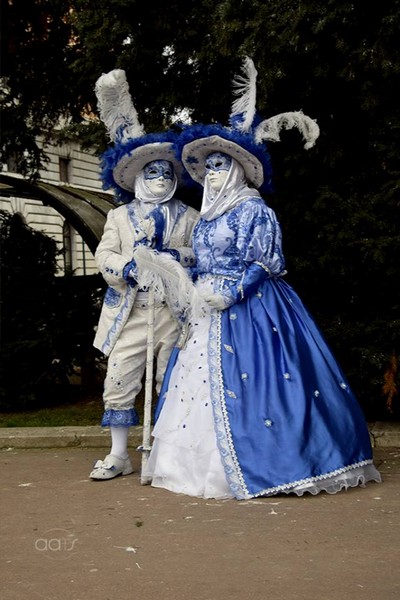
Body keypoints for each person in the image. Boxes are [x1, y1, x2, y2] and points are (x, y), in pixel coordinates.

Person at [143, 58, 381, 499]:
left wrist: (234, 291)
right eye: (208, 166)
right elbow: (202, 260)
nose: (212, 173)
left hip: (255, 308)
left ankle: (275, 461)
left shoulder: (256, 210)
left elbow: (267, 260)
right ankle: (194, 467)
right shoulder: (206, 219)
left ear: (235, 170)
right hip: (206, 310)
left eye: (219, 165)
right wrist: (174, 268)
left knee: (267, 383)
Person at [89, 69, 199, 480]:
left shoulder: (189, 216)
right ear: (136, 177)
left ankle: (166, 453)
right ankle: (119, 454)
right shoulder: (119, 216)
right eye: (151, 173)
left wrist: (173, 258)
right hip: (130, 312)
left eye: (166, 174)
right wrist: (129, 267)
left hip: (174, 313)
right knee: (119, 377)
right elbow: (105, 255)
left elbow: (200, 254)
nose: (160, 179)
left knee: (171, 379)